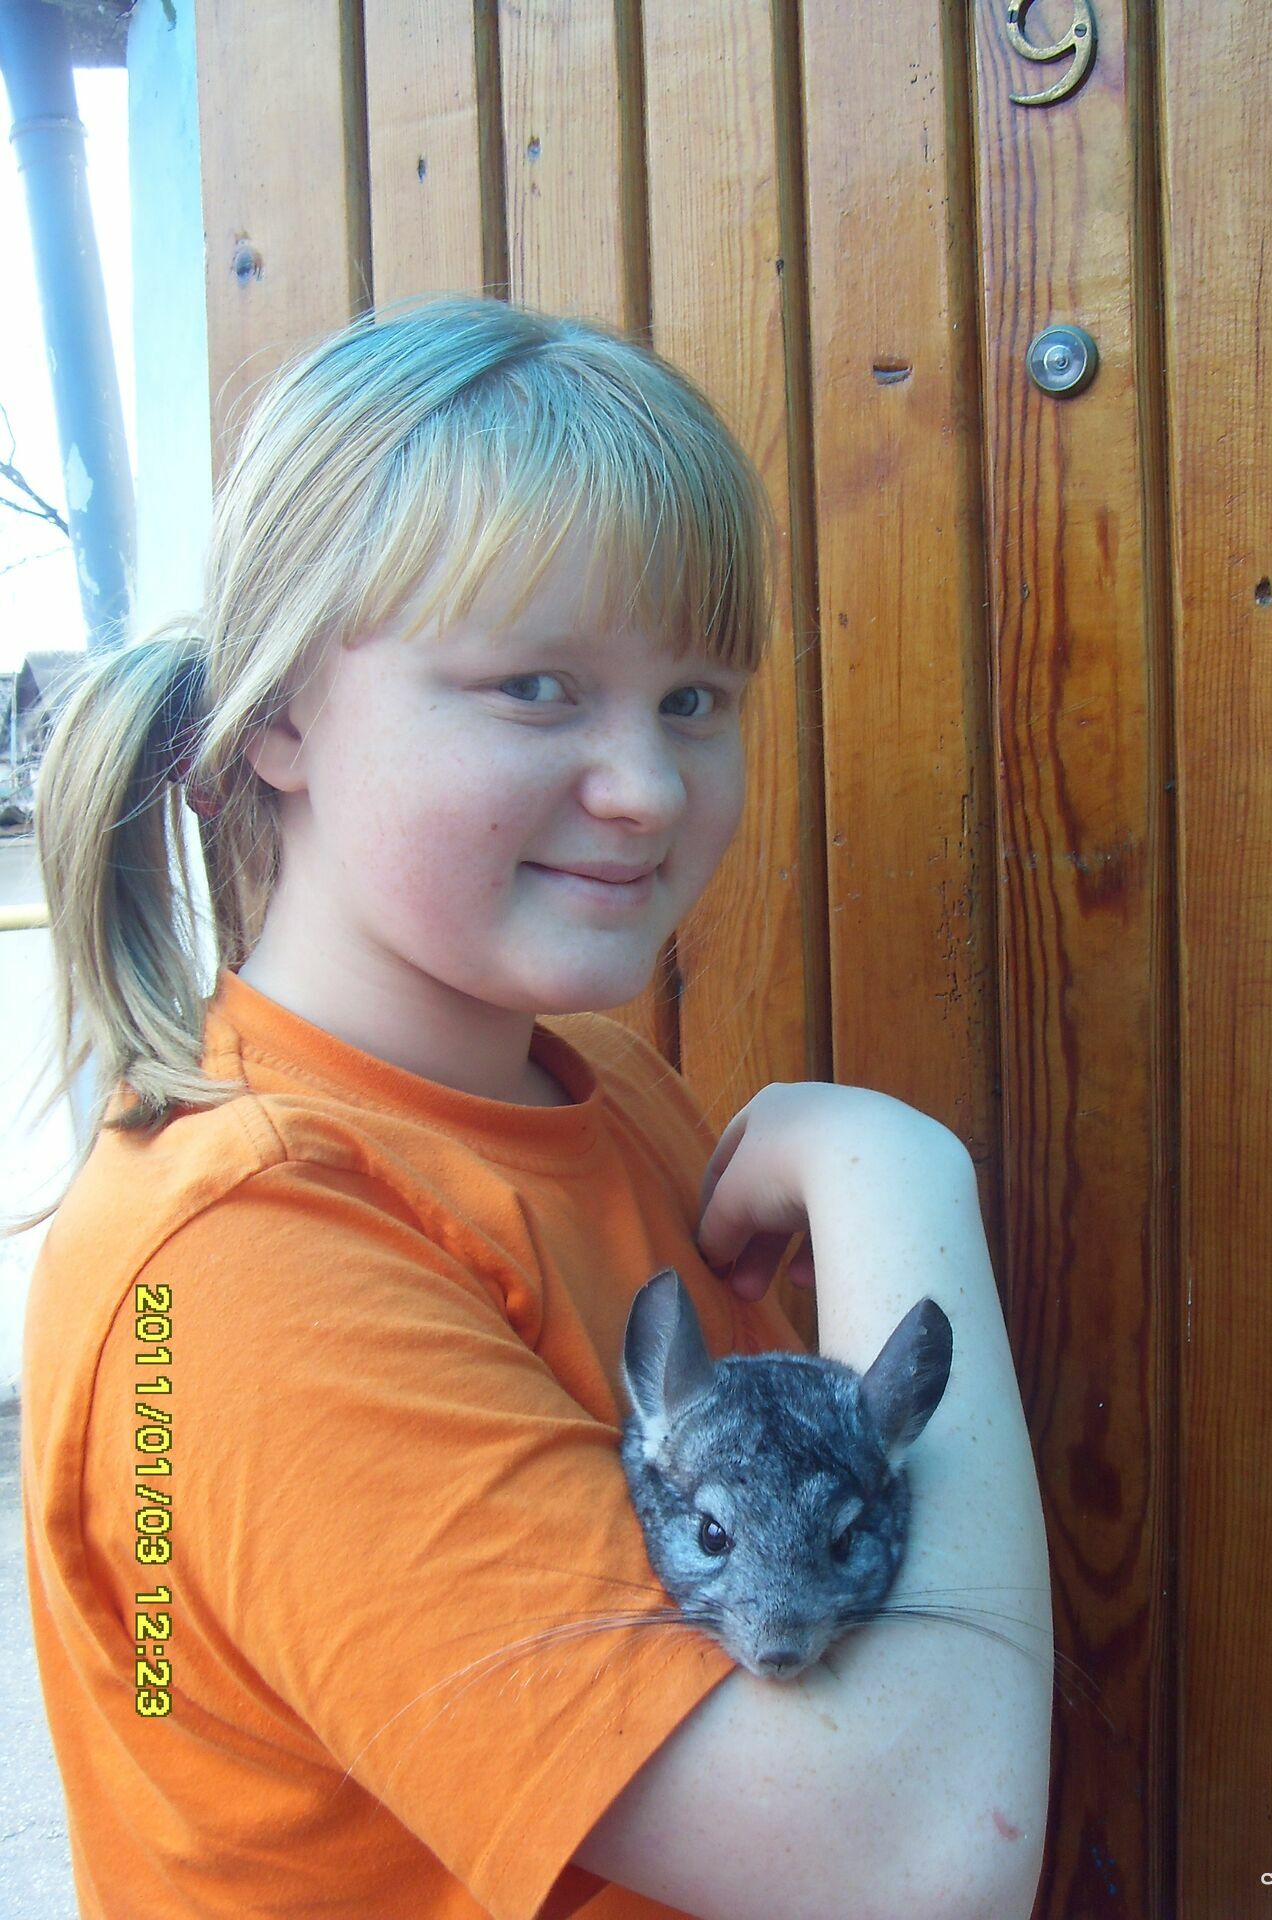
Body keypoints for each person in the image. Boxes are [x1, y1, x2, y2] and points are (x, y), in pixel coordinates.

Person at [20, 296, 1052, 1920]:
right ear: (279, 717)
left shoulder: (589, 1083)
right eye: (535, 686)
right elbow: (918, 1860)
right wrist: (893, 1175)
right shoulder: (237, 1268)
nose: (647, 789)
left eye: (695, 699)